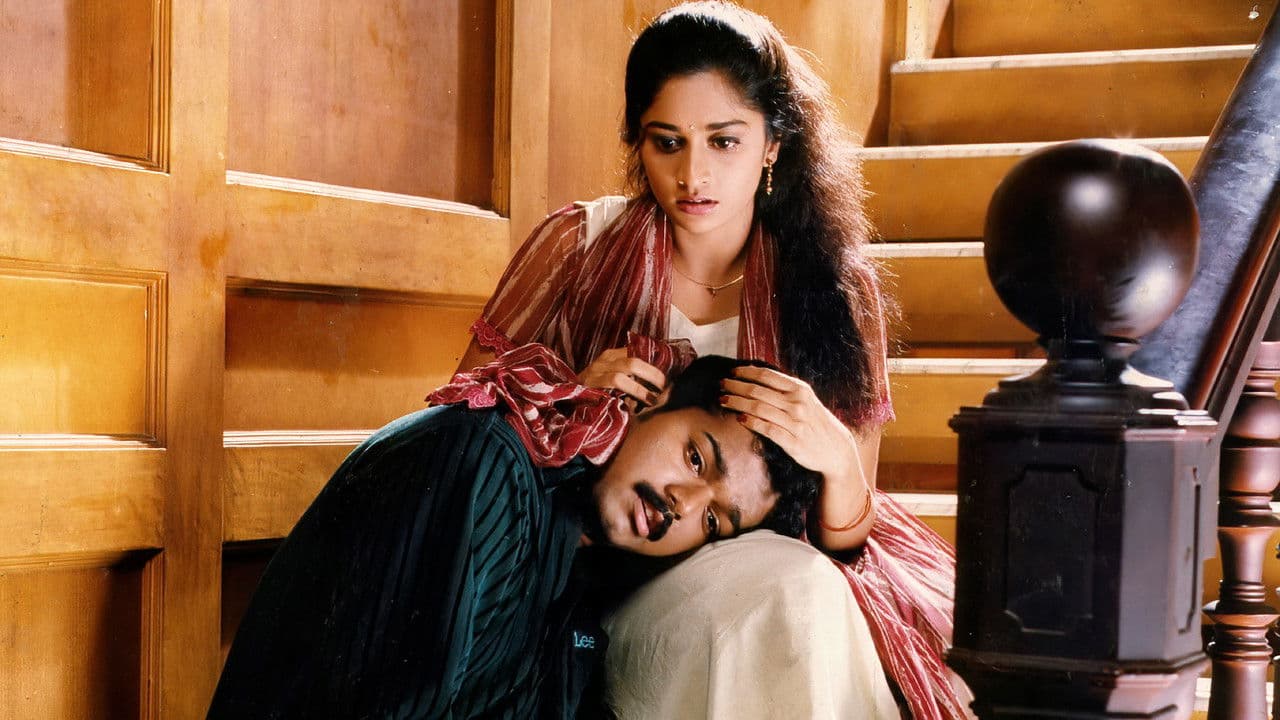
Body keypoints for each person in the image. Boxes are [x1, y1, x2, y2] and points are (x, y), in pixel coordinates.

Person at [456, 3, 970, 719]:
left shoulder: (832, 286)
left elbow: (846, 541)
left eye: (724, 141)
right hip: (590, 573)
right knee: (790, 599)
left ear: (772, 145)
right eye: (667, 143)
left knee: (801, 595)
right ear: (638, 141)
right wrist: (570, 395)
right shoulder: (577, 245)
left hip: (776, 562)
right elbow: (459, 433)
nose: (692, 175)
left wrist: (836, 459)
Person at [206, 352, 833, 719]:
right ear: (647, 402)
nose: (683, 504)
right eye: (696, 458)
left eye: (714, 521)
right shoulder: (488, 463)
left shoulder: (576, 597)